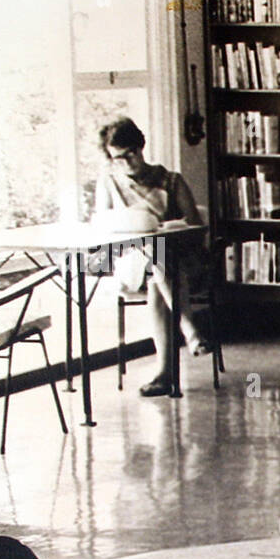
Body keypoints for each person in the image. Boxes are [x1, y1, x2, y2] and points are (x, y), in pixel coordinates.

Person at [94, 117, 209, 397]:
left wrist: (168, 228)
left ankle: (164, 375)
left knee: (160, 267)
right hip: (130, 262)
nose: (128, 161)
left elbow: (195, 226)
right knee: (155, 257)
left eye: (132, 152)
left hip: (180, 261)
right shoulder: (109, 183)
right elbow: (103, 228)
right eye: (119, 157)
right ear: (111, 159)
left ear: (141, 146)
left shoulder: (171, 180)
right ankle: (189, 328)